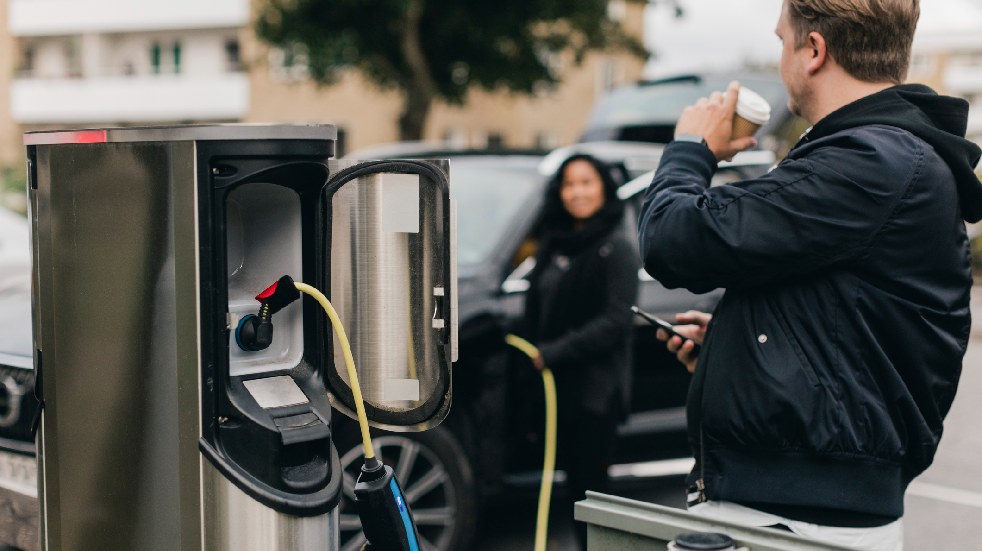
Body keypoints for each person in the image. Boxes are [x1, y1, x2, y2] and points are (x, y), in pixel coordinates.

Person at [637, 1, 981, 550]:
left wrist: (689, 150)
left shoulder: (871, 160)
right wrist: (735, 349)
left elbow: (675, 240)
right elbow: (843, 321)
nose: (781, 59)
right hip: (803, 512)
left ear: (814, 50)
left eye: (782, 42)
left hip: (799, 521)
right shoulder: (875, 155)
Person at [517, 153, 639, 549]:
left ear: (603, 187)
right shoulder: (552, 244)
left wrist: (552, 352)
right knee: (571, 491)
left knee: (593, 494)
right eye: (570, 184)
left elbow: (615, 322)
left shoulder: (616, 248)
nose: (577, 192)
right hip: (556, 391)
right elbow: (535, 308)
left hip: (595, 394)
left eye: (586, 182)